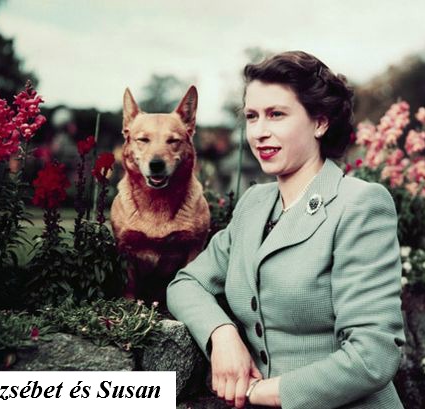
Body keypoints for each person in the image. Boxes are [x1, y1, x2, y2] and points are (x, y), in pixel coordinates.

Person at [166, 50, 406, 409]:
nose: (260, 132)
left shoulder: (360, 204)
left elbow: (374, 354)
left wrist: (263, 392)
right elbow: (186, 284)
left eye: (276, 115)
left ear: (320, 122)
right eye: (252, 116)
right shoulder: (254, 205)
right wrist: (222, 334)